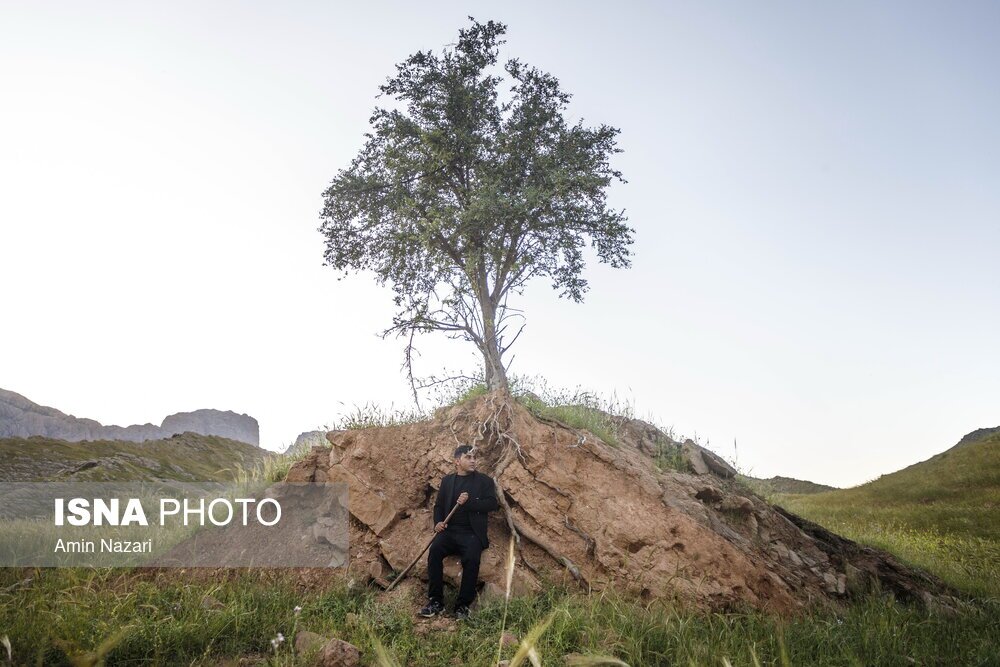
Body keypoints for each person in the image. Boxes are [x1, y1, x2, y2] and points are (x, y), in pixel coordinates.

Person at [419, 444, 498, 620]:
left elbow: (492, 504)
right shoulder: (448, 481)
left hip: (472, 533)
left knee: (471, 559)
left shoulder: (484, 481)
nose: (473, 461)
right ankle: (436, 601)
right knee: (434, 552)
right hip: (449, 531)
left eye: (474, 457)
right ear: (457, 461)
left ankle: (462, 605)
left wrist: (470, 502)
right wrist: (438, 523)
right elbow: (438, 506)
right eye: (468, 457)